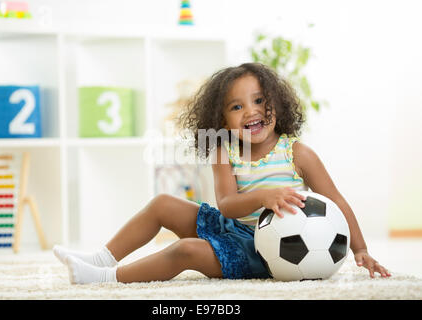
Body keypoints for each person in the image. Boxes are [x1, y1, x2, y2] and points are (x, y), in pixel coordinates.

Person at [53, 62, 391, 284]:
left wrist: (359, 249)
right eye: (237, 106)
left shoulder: (297, 153)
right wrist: (263, 196)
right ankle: (99, 258)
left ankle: (107, 278)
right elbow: (227, 204)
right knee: (162, 204)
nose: (251, 112)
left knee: (186, 250)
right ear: (221, 119)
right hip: (235, 227)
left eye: (259, 101)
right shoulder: (224, 152)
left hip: (268, 252)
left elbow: (336, 201)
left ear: (278, 104)